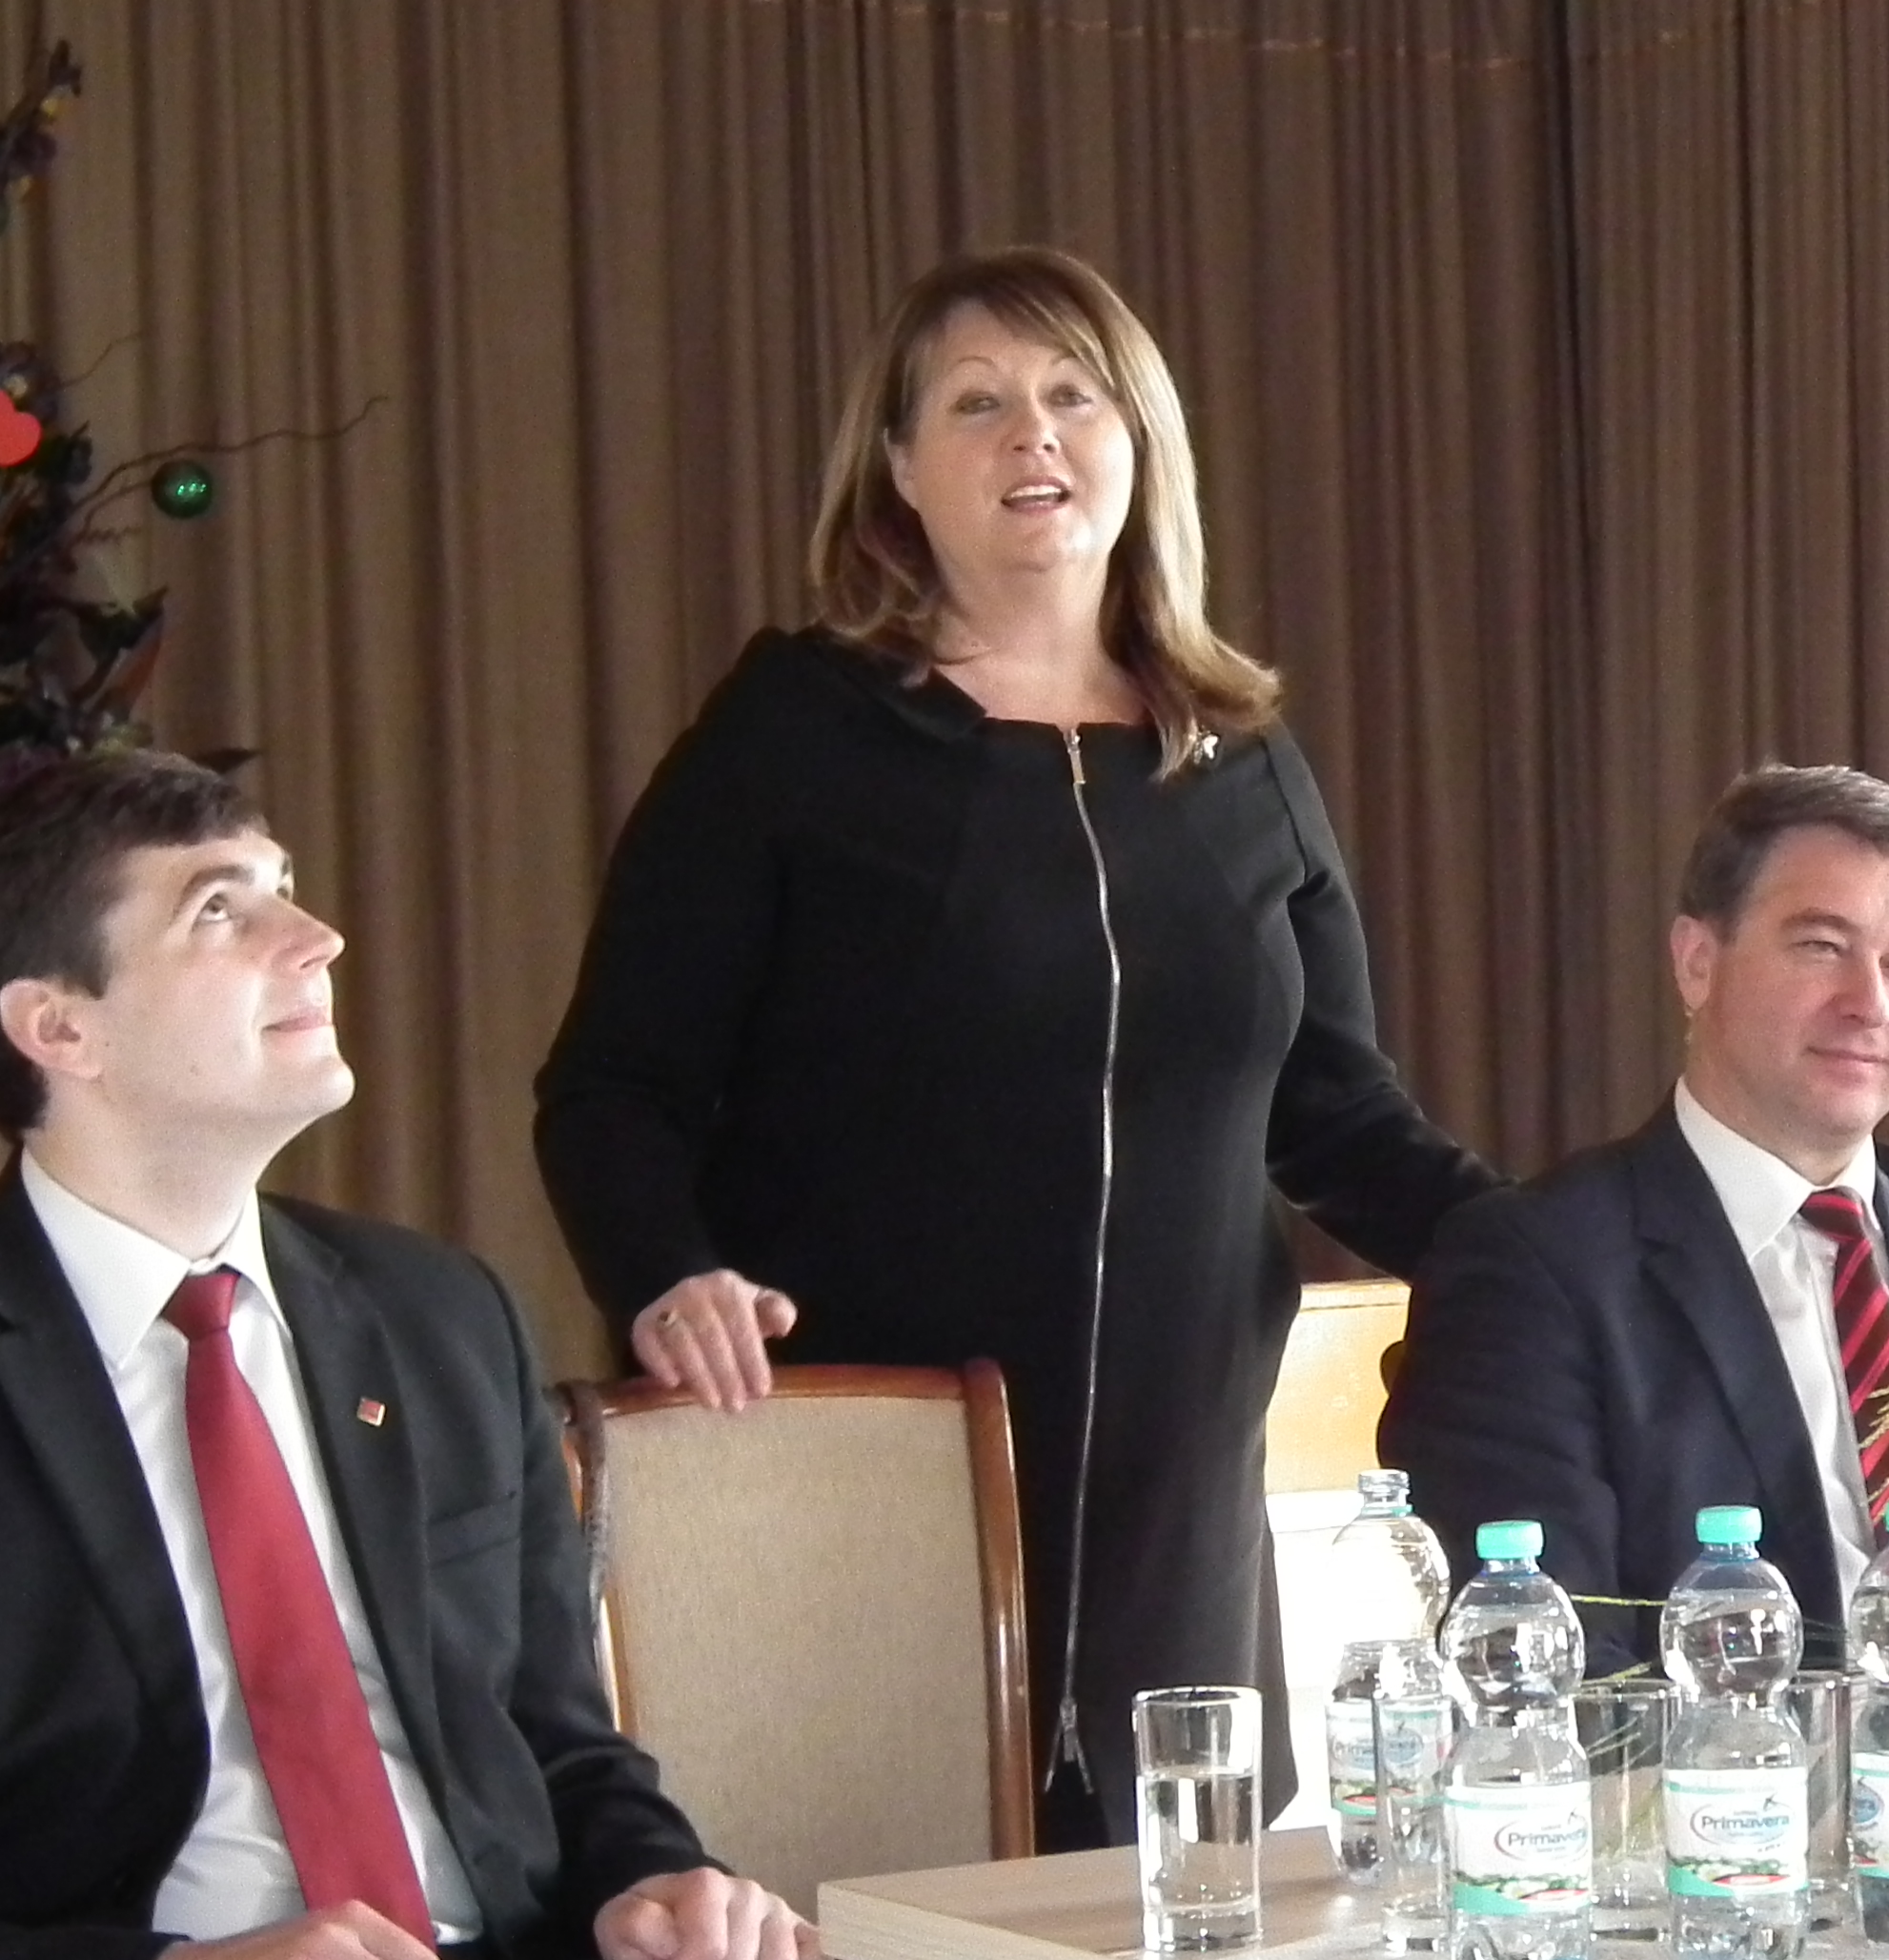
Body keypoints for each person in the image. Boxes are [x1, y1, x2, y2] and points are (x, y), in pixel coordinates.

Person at [532, 246, 1499, 1847]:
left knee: (1163, 1908)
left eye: (1070, 394)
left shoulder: (1240, 759)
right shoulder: (797, 731)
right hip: (869, 1490)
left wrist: (1541, 1257)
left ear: (1139, 441)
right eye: (975, 405)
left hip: (1173, 1527)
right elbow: (610, 1086)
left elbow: (1336, 1114)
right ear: (901, 471)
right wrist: (664, 1273)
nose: (1030, 433)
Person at [0, 752, 807, 1960]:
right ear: (59, 1026)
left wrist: (658, 1883)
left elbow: (564, 1749)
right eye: (221, 910)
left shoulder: (446, 1314)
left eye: (285, 887)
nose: (320, 938)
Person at [1378, 766, 1889, 1672]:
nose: (1870, 1002)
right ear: (1697, 962)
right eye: (1822, 946)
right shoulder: (1532, 1270)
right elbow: (1549, 1669)